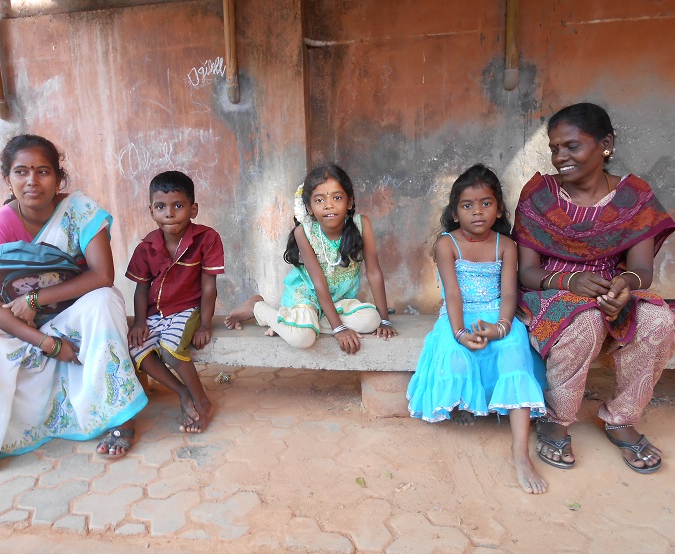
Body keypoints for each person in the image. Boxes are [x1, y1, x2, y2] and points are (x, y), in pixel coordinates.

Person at [0, 134, 147, 476]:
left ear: (58, 179)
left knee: (105, 301)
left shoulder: (79, 210)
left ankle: (120, 416)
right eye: (21, 171)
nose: (32, 181)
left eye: (43, 171)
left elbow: (103, 275)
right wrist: (46, 343)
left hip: (75, 316)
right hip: (28, 328)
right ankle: (8, 426)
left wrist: (34, 298)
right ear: (7, 179)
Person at [513, 102, 675, 474]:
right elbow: (527, 272)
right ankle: (556, 418)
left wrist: (624, 286)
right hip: (549, 290)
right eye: (554, 147)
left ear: (606, 144)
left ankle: (621, 418)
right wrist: (570, 281)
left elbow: (640, 270)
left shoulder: (634, 197)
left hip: (608, 289)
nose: (560, 156)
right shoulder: (539, 195)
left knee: (659, 322)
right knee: (584, 321)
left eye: (571, 146)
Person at [406, 164, 548, 494]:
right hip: (458, 317)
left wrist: (501, 328)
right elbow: (452, 294)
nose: (477, 211)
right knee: (456, 357)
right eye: (467, 205)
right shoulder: (447, 244)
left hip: (499, 317)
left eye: (486, 203)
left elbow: (510, 293)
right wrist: (458, 333)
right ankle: (459, 405)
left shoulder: (506, 244)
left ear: (498, 208)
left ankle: (520, 453)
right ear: (455, 214)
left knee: (513, 356)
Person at [225, 163, 397, 353]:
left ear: (349, 202)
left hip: (338, 300)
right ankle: (258, 308)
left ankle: (296, 324)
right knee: (303, 339)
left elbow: (374, 273)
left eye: (337, 197)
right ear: (309, 207)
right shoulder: (303, 232)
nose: (329, 205)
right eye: (319, 200)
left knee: (371, 320)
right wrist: (339, 329)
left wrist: (384, 320)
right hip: (308, 297)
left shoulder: (361, 224)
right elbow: (318, 282)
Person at [126, 171, 223, 432]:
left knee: (170, 350)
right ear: (151, 211)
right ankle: (182, 393)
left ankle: (202, 402)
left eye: (178, 206)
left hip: (187, 308)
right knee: (137, 348)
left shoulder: (207, 239)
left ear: (193, 209)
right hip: (155, 313)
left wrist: (205, 325)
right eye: (161, 207)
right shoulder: (146, 247)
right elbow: (140, 288)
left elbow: (208, 285)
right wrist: (138, 322)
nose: (169, 213)